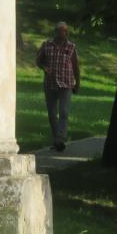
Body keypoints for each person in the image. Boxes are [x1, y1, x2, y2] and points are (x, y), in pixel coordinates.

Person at [35, 22, 80, 152]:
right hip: (50, 84)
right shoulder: (46, 45)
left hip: (66, 84)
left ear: (67, 33)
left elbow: (76, 67)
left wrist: (77, 83)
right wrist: (45, 68)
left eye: (64, 32)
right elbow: (38, 60)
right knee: (52, 114)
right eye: (60, 31)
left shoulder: (71, 47)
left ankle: (60, 139)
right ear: (55, 32)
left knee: (64, 112)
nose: (62, 34)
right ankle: (57, 140)